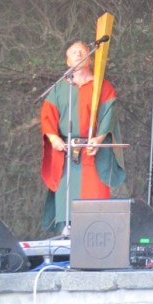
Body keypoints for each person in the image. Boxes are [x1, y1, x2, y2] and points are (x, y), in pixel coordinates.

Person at [40, 40, 125, 234]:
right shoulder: (59, 88)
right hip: (67, 155)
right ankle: (65, 238)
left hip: (92, 154)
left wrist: (99, 138)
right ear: (67, 62)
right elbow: (47, 116)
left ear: (90, 58)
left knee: (95, 204)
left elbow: (109, 114)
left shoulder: (102, 86)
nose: (78, 54)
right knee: (66, 201)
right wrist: (54, 139)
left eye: (82, 51)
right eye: (74, 52)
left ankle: (97, 237)